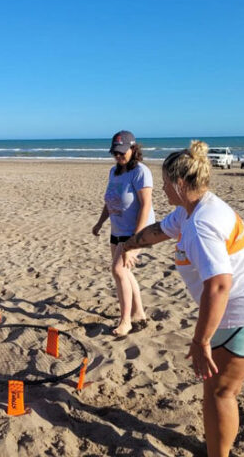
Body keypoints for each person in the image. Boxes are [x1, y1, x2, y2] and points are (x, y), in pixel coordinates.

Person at [116, 141, 244, 457]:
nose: (163, 188)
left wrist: (201, 341)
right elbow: (159, 230)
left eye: (165, 182)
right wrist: (130, 244)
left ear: (180, 183)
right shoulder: (195, 209)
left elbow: (218, 286)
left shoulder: (202, 225)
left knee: (220, 392)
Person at [92, 130, 155, 336]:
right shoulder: (114, 172)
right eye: (115, 153)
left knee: (118, 270)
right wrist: (100, 222)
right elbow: (110, 200)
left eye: (122, 152)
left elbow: (145, 206)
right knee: (125, 272)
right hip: (117, 229)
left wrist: (135, 241)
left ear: (133, 149)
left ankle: (125, 321)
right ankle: (139, 313)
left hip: (135, 231)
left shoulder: (141, 172)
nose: (118, 156)